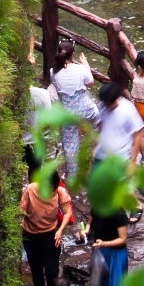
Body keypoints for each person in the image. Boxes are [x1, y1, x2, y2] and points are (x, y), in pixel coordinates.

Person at [49, 37, 101, 179]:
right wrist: (86, 65)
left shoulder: (53, 72)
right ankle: (99, 155)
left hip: (68, 112)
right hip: (85, 108)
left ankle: (72, 176)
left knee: (69, 145)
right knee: (101, 123)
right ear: (72, 55)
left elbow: (56, 84)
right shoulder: (79, 69)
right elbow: (90, 83)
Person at [20, 168, 75, 286]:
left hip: (51, 235)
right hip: (31, 236)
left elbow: (67, 213)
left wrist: (60, 231)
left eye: (51, 188)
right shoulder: (31, 189)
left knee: (52, 272)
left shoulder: (60, 192)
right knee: (36, 271)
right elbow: (21, 211)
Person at [88, 200, 130, 286]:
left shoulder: (119, 214)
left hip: (116, 254)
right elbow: (89, 223)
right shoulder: (96, 206)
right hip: (100, 250)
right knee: (102, 284)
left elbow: (123, 239)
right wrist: (85, 231)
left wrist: (105, 243)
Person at [92, 80, 144, 168]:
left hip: (120, 157)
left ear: (115, 100)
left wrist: (132, 162)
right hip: (101, 155)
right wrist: (95, 147)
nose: (104, 106)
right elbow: (101, 126)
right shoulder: (102, 105)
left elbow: (138, 134)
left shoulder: (128, 109)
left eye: (107, 104)